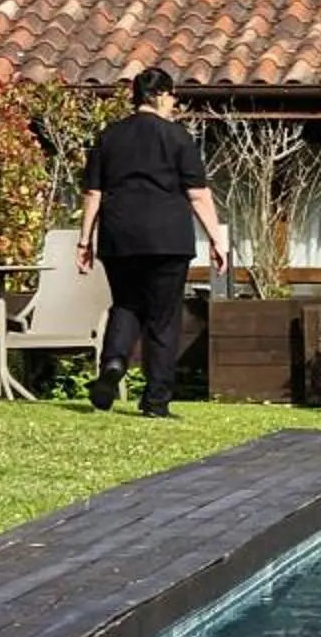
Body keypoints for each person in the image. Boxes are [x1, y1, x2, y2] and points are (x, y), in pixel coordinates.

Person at [78, 67, 229, 416]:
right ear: (160, 94)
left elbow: (93, 193)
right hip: (167, 238)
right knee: (163, 317)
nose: (174, 103)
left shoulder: (110, 137)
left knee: (126, 304)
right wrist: (217, 240)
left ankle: (114, 363)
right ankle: (156, 400)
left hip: (120, 236)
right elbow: (198, 194)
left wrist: (84, 241)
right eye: (173, 96)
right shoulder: (177, 137)